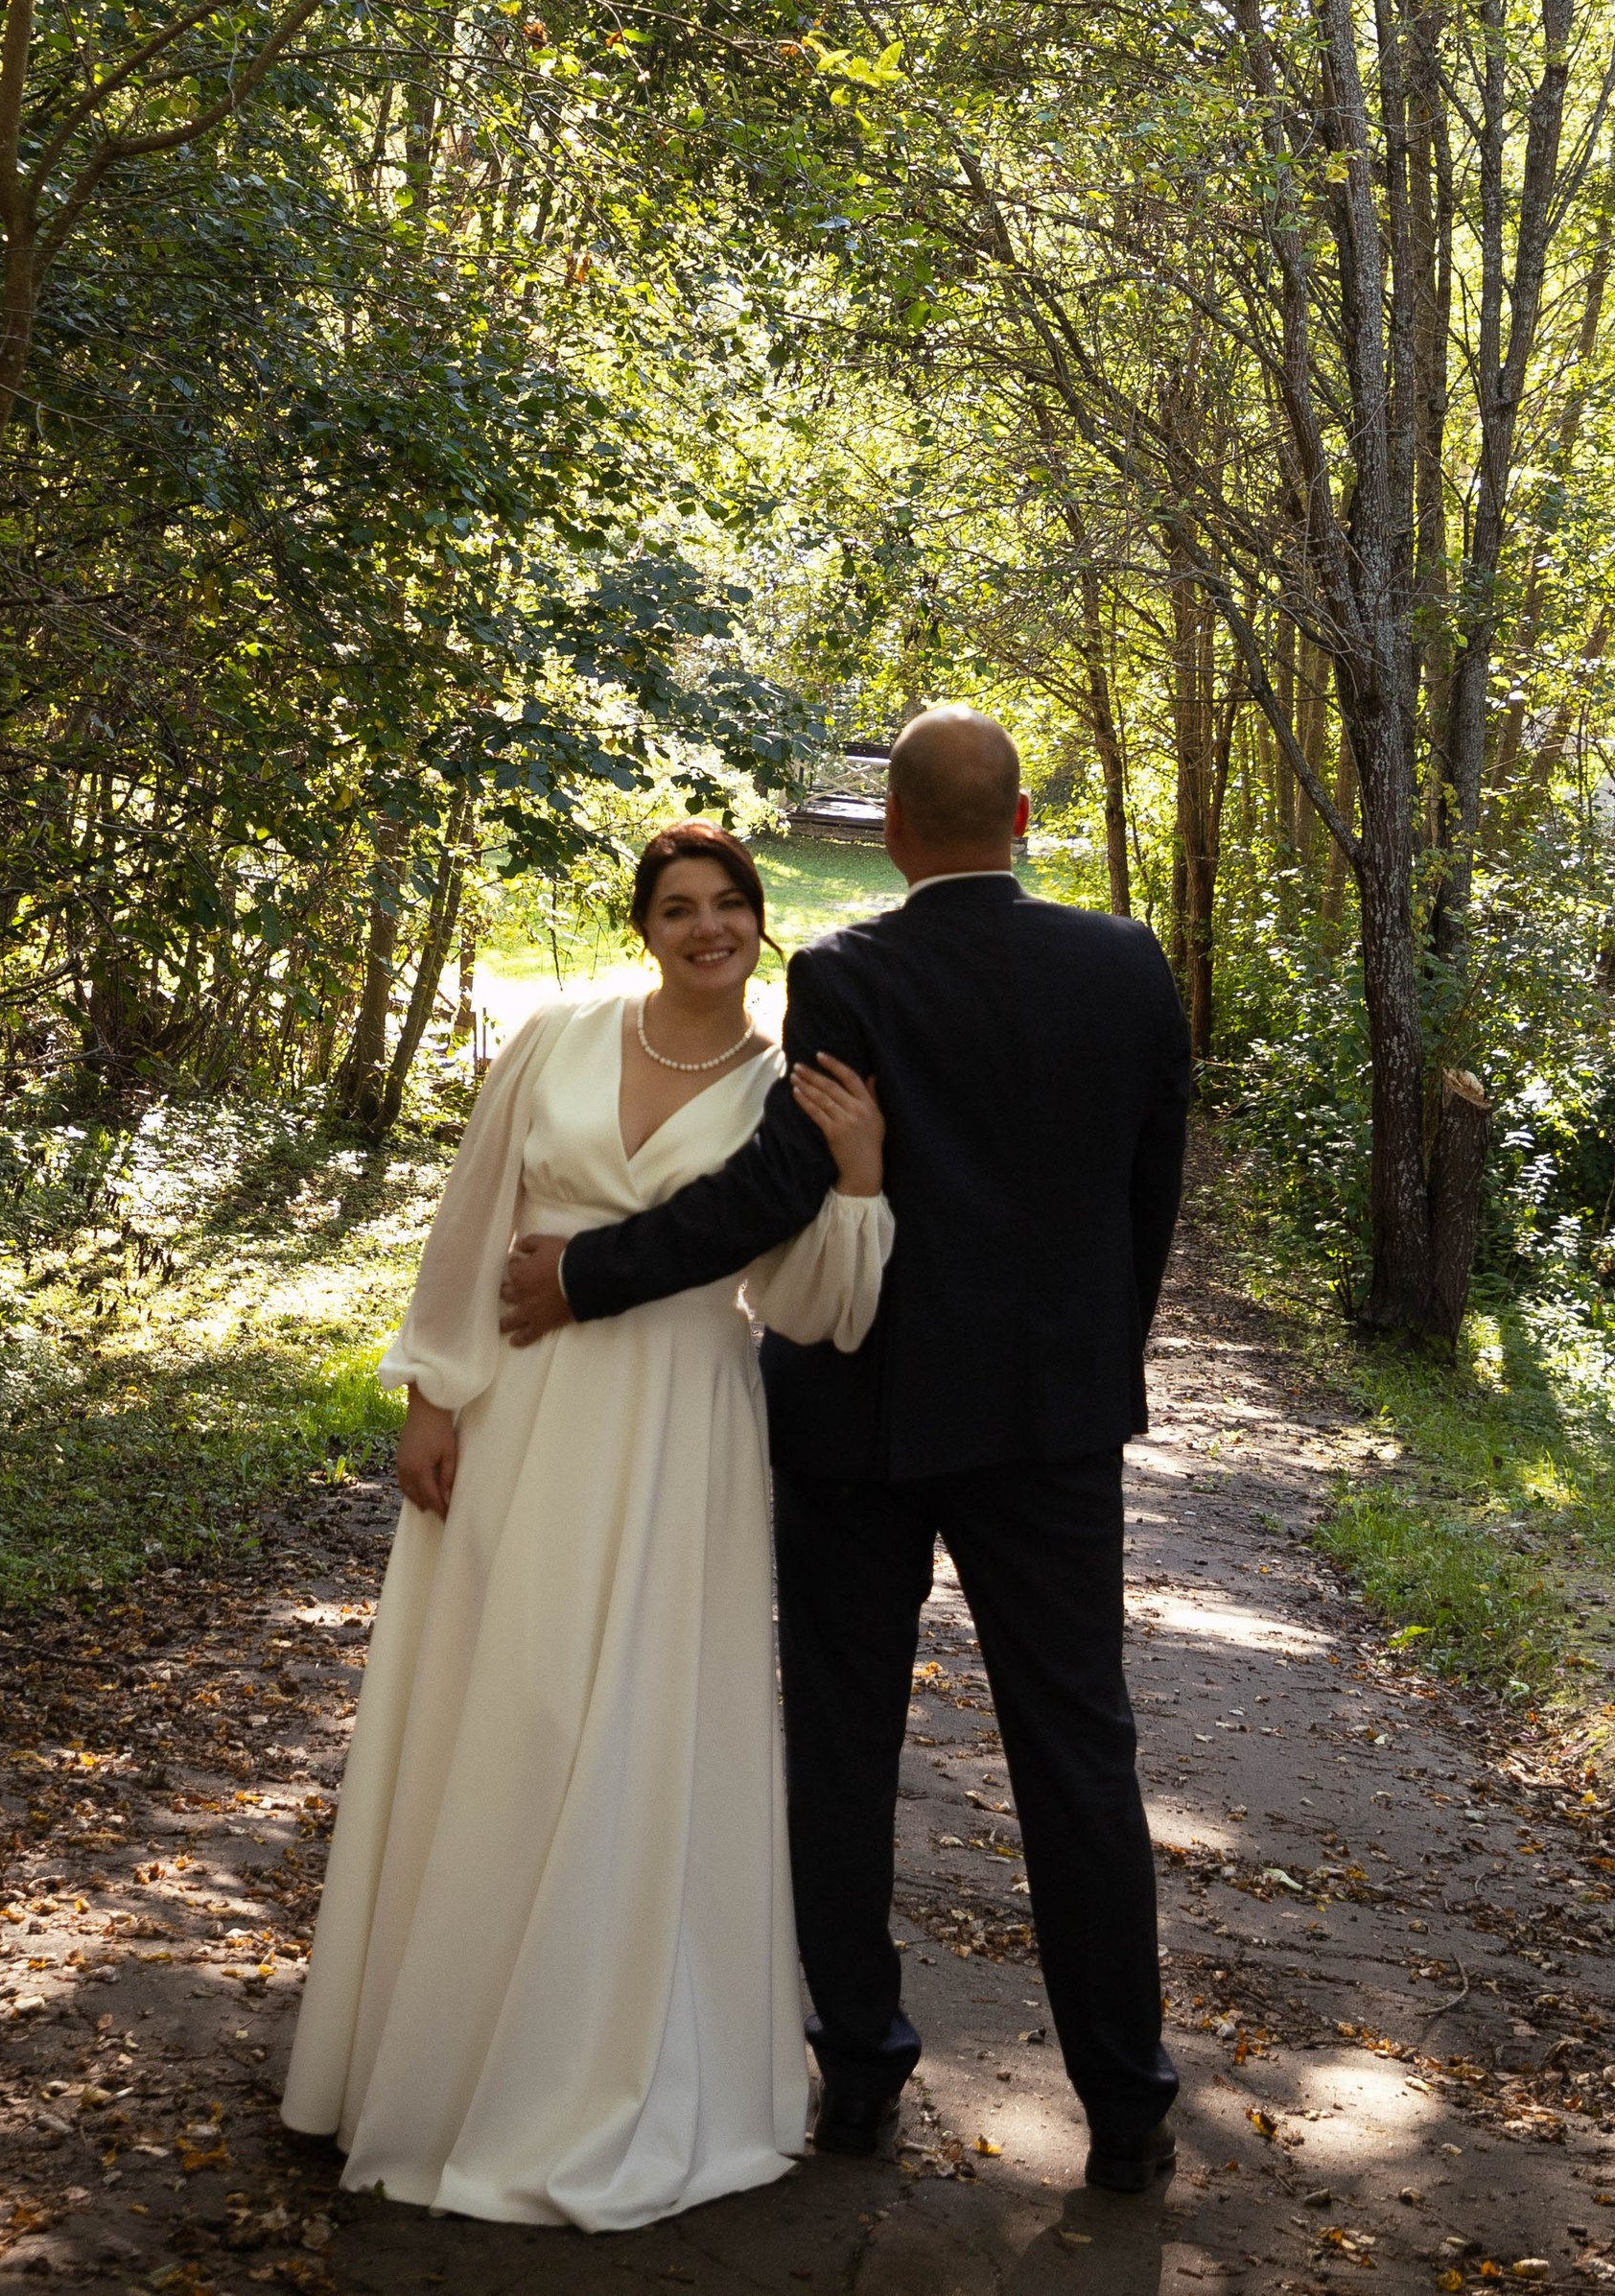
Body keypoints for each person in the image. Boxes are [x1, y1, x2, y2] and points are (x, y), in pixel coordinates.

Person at [500, 706, 1193, 2197]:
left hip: (858, 1422)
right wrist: (1088, 1367)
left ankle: (863, 2079)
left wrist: (586, 1274)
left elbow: (775, 1185)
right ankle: (1128, 2110)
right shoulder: (1130, 965)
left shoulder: (853, 971)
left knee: (844, 1743)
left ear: (892, 833)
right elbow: (1150, 1198)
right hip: (1053, 1435)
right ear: (1021, 823)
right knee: (1079, 1752)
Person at [281, 820, 889, 2230]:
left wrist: (856, 1177)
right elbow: (470, 1215)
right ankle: (438, 2056)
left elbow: (812, 1310)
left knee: (625, 1735)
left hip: (682, 1433)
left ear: (760, 922)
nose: (706, 929)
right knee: (507, 1711)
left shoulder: (784, 1093)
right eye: (677, 908)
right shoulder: (555, 1036)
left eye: (729, 905)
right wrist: (433, 1391)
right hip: (525, 1417)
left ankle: (598, 2069)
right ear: (644, 927)